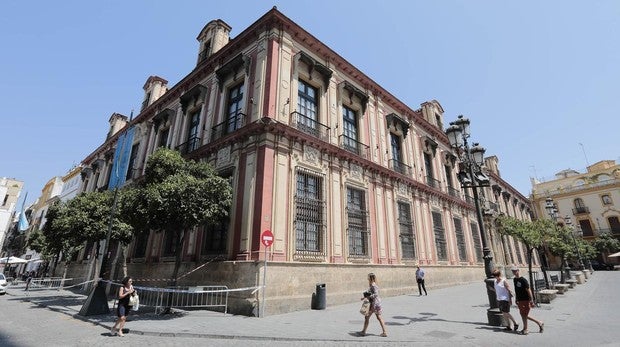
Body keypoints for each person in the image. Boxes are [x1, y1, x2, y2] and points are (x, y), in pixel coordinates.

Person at [511, 267, 544, 335]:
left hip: (526, 299)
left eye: (515, 271)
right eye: (513, 271)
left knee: (524, 315)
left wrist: (531, 300)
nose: (514, 272)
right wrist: (516, 298)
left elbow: (528, 290)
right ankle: (538, 323)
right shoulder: (514, 279)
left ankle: (526, 329)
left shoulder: (523, 280)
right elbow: (516, 290)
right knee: (523, 315)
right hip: (519, 300)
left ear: (518, 270)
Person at [359, 273, 388, 337]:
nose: (367, 279)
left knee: (367, 317)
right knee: (379, 317)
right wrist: (365, 297)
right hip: (377, 303)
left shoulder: (373, 285)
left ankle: (363, 332)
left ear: (371, 278)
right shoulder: (373, 285)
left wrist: (369, 297)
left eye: (368, 277)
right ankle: (384, 332)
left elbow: (375, 294)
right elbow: (370, 293)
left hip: (374, 304)